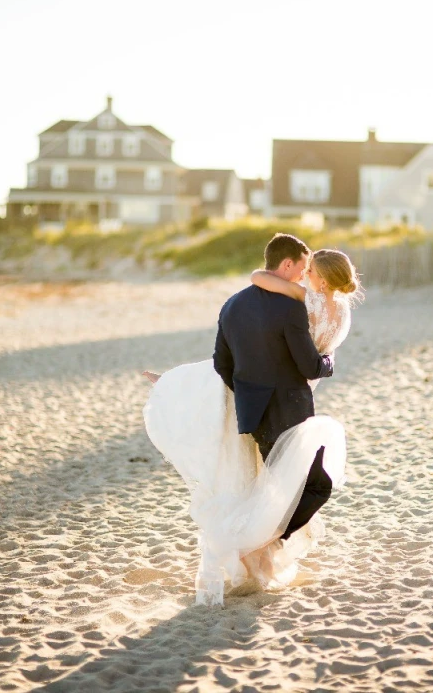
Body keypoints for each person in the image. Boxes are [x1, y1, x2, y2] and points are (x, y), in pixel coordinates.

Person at [143, 234, 361, 605]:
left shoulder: (243, 305)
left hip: (258, 408)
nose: (304, 275)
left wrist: (243, 395)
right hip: (293, 403)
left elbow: (222, 363)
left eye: (311, 270)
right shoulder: (327, 310)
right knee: (304, 484)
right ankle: (257, 544)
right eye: (302, 267)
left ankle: (261, 544)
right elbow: (311, 361)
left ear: (319, 277)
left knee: (278, 483)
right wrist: (328, 364)